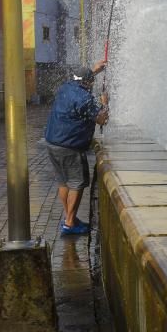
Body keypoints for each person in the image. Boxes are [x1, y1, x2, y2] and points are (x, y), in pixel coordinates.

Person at [44, 61, 109, 235]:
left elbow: (82, 79)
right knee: (77, 183)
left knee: (63, 181)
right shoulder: (85, 98)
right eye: (91, 81)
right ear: (87, 82)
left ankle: (69, 217)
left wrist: (94, 70)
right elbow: (101, 119)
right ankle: (70, 223)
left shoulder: (66, 87)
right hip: (69, 146)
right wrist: (105, 103)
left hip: (52, 142)